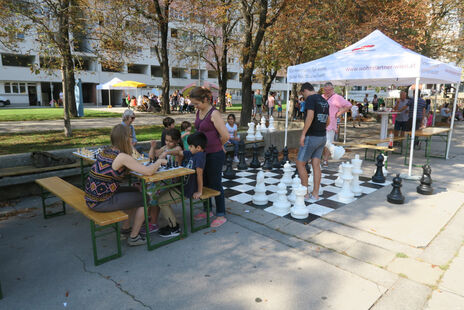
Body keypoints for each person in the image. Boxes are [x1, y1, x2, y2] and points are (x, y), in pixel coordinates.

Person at [84, 124, 167, 246]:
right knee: (145, 198)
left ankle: (126, 227)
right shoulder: (122, 157)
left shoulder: (106, 151)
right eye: (130, 137)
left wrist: (130, 147)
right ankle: (134, 237)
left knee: (135, 191)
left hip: (93, 197)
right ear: (125, 139)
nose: (132, 139)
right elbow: (148, 171)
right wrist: (159, 161)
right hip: (101, 201)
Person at [154, 132, 207, 237]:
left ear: (199, 148)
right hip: (182, 186)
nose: (189, 148)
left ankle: (174, 228)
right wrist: (167, 152)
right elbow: (179, 153)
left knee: (161, 201)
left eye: (190, 146)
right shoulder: (194, 153)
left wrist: (199, 191)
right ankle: (172, 224)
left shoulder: (199, 156)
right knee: (160, 196)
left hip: (188, 190)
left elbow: (199, 175)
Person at [191, 87, 229, 227]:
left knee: (215, 183)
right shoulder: (199, 112)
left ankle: (221, 213)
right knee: (205, 182)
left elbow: (225, 135)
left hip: (214, 154)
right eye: (194, 104)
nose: (195, 106)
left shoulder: (214, 114)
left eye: (197, 103)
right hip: (202, 154)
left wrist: (219, 146)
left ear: (206, 100)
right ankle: (207, 210)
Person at [296, 83, 329, 202]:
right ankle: (315, 194)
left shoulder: (310, 99)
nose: (303, 97)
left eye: (302, 94)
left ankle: (305, 193)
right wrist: (320, 127)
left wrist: (303, 134)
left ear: (305, 90)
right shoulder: (324, 100)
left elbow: (310, 116)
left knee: (300, 163)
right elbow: (328, 121)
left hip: (312, 136)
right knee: (316, 165)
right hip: (322, 136)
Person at [321, 82, 352, 167]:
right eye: (325, 90)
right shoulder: (321, 97)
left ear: (332, 89)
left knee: (328, 143)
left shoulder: (337, 97)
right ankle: (316, 159)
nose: (327, 91)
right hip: (320, 123)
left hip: (330, 124)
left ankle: (325, 160)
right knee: (319, 142)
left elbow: (349, 105)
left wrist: (339, 113)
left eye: (329, 90)